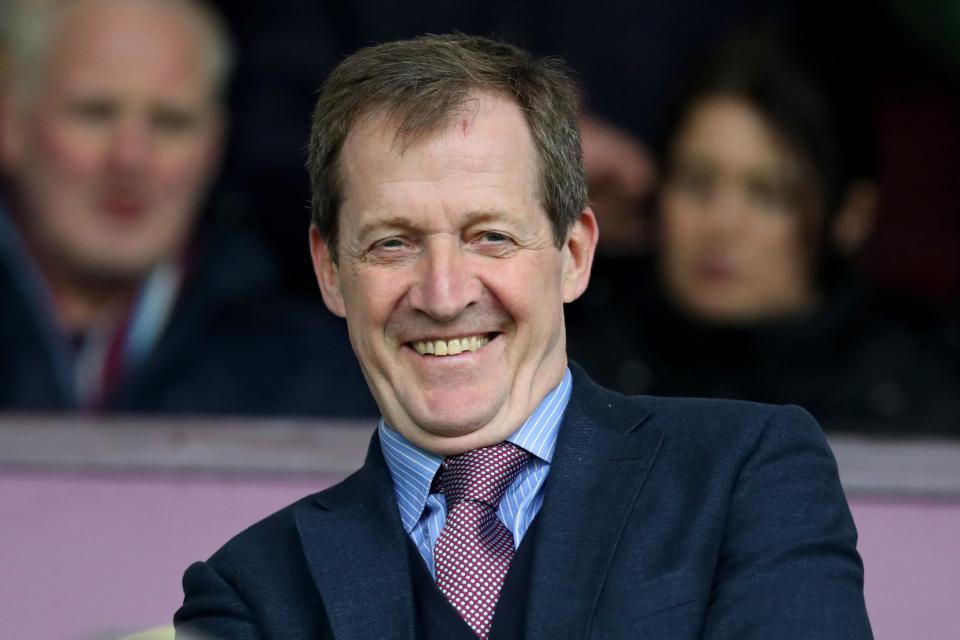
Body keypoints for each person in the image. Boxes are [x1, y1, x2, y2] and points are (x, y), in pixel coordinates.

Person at [175, 34, 871, 639]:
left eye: (491, 237)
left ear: (573, 253)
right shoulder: (250, 594)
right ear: (330, 271)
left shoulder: (747, 477)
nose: (445, 295)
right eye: (393, 243)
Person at [567, 31, 960, 436]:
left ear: (850, 216)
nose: (722, 224)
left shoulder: (923, 398)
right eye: (695, 182)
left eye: (769, 195)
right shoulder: (566, 363)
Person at [0, 0, 374, 416]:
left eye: (170, 121)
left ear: (215, 147)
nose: (131, 158)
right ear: (11, 123)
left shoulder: (319, 375)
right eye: (95, 113)